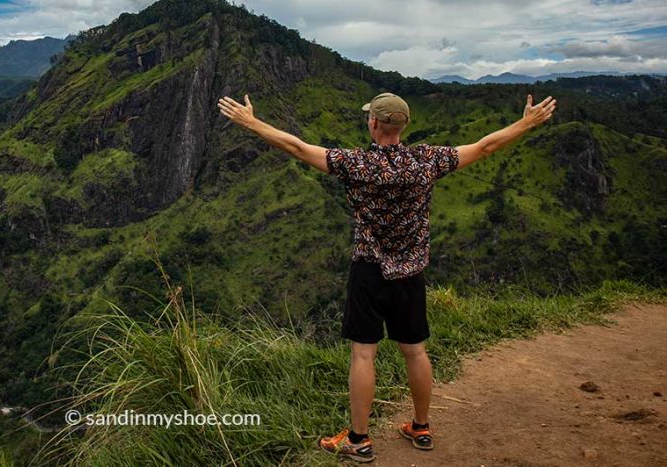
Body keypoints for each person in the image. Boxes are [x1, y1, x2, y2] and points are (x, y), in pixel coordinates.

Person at [217, 90, 557, 463]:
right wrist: (526, 123)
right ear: (404, 125)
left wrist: (251, 123)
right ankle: (421, 427)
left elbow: (298, 148)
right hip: (411, 272)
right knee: (415, 351)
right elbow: (486, 146)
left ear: (374, 123)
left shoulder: (358, 164)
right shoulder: (427, 160)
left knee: (363, 354)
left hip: (369, 269)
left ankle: (359, 441)